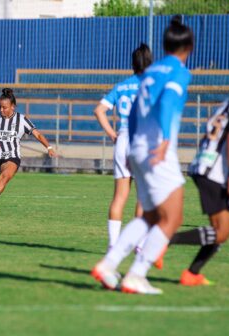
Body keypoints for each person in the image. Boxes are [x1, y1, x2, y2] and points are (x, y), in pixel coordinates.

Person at [92, 16, 194, 295]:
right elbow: (169, 104)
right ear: (189, 46)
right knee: (172, 216)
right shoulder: (179, 71)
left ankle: (110, 264)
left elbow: (136, 110)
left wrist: (131, 143)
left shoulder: (150, 72)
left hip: (134, 144)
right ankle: (136, 273)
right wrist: (163, 141)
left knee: (150, 215)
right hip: (156, 147)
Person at [166, 63, 229, 286]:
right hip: (214, 172)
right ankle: (163, 241)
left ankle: (192, 274)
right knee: (221, 230)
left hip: (213, 168)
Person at [94, 43, 152, 250]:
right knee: (143, 196)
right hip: (142, 141)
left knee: (119, 197)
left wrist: (111, 133)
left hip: (123, 140)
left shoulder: (123, 85)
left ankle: (113, 245)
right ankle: (140, 243)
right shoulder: (152, 85)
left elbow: (99, 110)